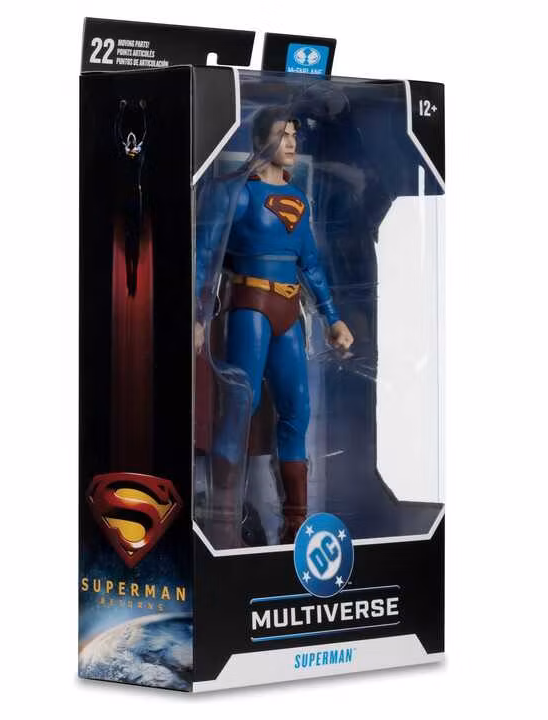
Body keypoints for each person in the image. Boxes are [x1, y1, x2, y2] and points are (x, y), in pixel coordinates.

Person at [196, 106, 353, 548]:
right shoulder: (238, 193)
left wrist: (333, 318)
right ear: (261, 139)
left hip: (288, 314)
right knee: (238, 409)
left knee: (297, 412)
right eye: (283, 134)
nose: (292, 142)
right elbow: (204, 254)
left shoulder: (299, 200)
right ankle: (223, 524)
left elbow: (312, 265)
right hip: (250, 308)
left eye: (294, 135)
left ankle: (296, 525)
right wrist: (197, 316)